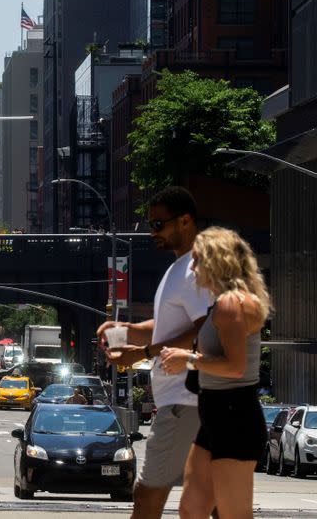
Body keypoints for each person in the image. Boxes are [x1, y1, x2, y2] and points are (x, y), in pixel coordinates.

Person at [96, 186, 211, 519]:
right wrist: (127, 331)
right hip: (189, 402)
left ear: (185, 221)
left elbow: (205, 328)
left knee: (147, 496)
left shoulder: (194, 270)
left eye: (159, 224)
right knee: (210, 499)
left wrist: (141, 352)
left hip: (182, 401)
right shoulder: (179, 269)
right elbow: (170, 325)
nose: (152, 232)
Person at [161, 227, 270, 519]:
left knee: (234, 515)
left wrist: (189, 359)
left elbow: (235, 367)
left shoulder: (231, 304)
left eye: (196, 260)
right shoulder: (223, 303)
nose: (192, 268)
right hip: (216, 414)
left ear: (215, 260)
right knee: (191, 509)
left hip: (235, 416)